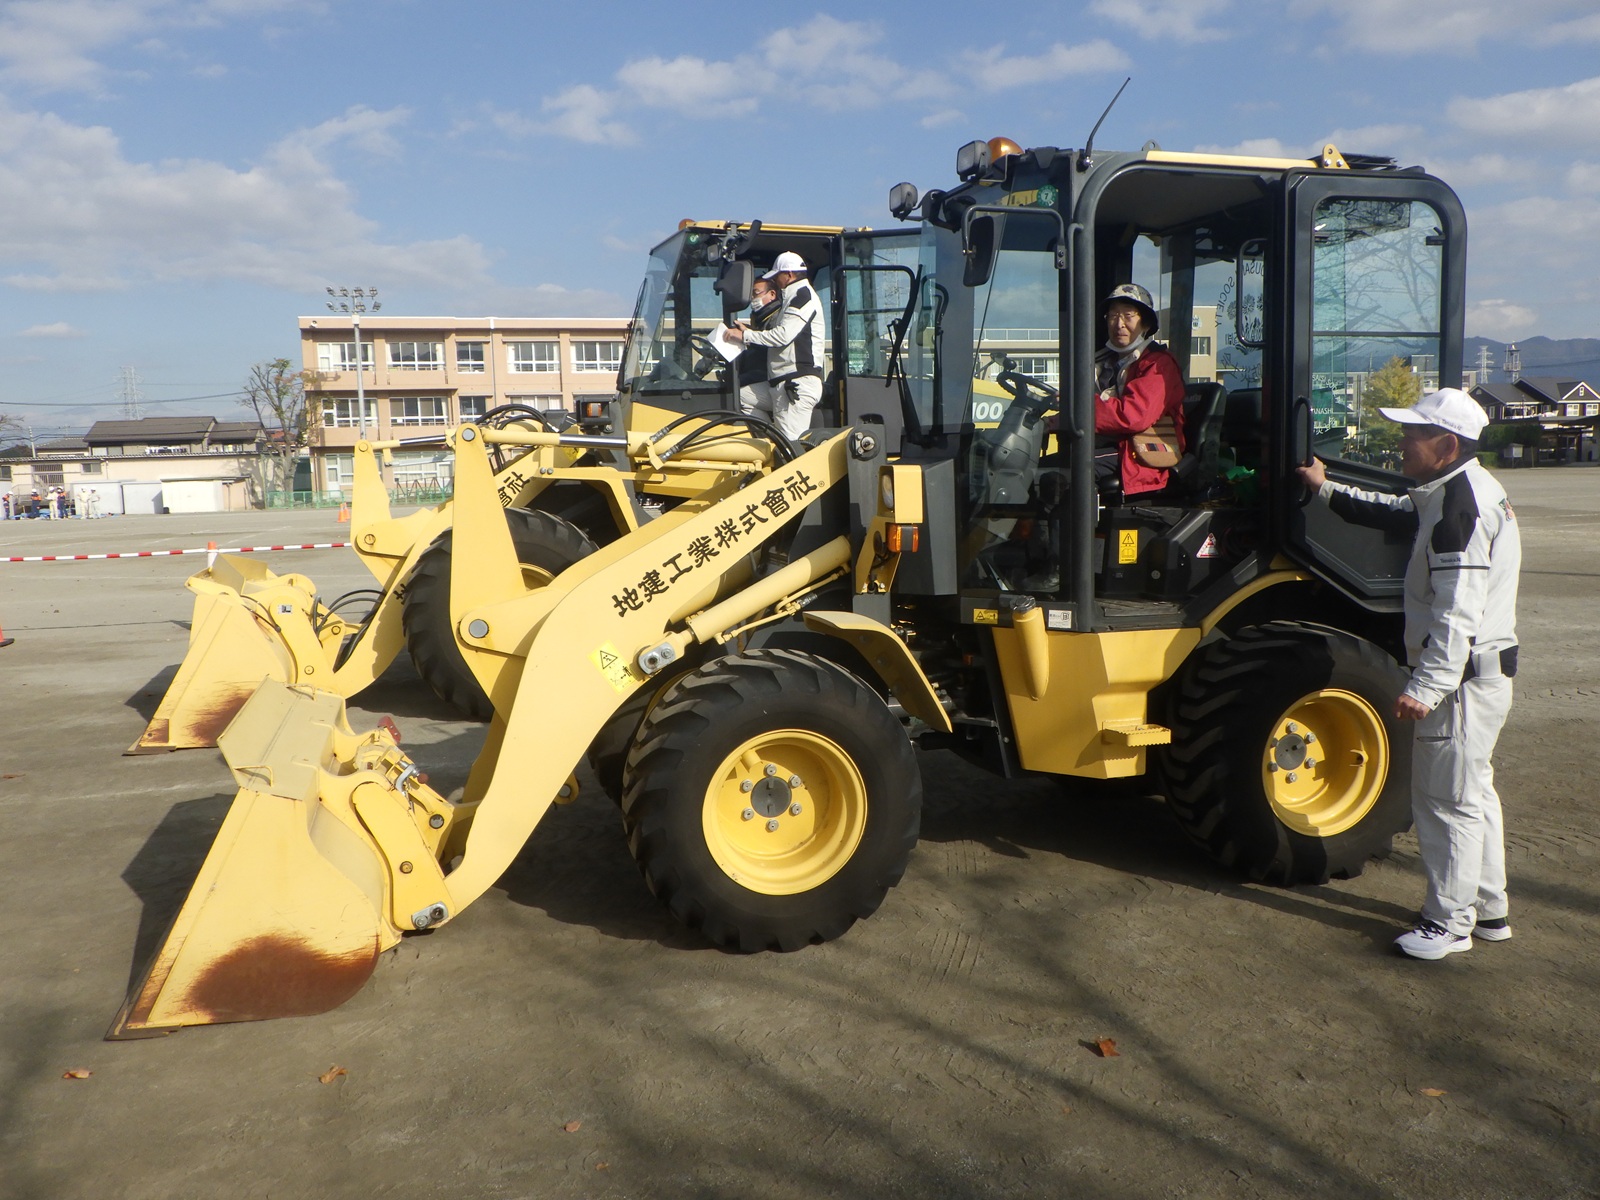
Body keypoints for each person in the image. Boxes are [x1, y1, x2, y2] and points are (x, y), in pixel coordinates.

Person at [1295, 388, 1521, 961]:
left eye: (1412, 434)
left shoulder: (1459, 511)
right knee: (1472, 793)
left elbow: (1458, 611)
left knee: (1446, 803)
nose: (1401, 442)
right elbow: (1393, 512)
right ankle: (1489, 910)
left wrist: (1428, 685)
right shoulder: (1451, 492)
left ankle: (1449, 924)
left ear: (1446, 445)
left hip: (1462, 682)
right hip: (1479, 676)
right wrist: (1325, 487)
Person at [1091, 283, 1187, 497]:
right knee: (1036, 467)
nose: (1119, 324)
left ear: (1146, 324)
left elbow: (1134, 416)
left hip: (1138, 455)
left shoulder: (1158, 364)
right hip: (1112, 446)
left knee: (1066, 473)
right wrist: (1053, 421)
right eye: (1113, 316)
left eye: (1128, 316)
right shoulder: (1102, 362)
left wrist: (1079, 409)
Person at [723, 250, 826, 439]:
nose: (775, 281)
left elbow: (783, 336)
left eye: (777, 276)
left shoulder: (802, 297)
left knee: (790, 445)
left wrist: (745, 335)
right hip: (781, 384)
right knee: (740, 397)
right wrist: (749, 330)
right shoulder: (792, 298)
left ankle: (780, 446)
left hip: (796, 384)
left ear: (789, 275)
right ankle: (769, 440)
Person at [735, 276, 783, 422]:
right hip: (767, 378)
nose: (752, 298)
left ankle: (768, 432)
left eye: (756, 293)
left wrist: (747, 336)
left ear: (772, 294)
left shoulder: (777, 318)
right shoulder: (761, 320)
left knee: (736, 395)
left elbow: (770, 348)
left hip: (775, 380)